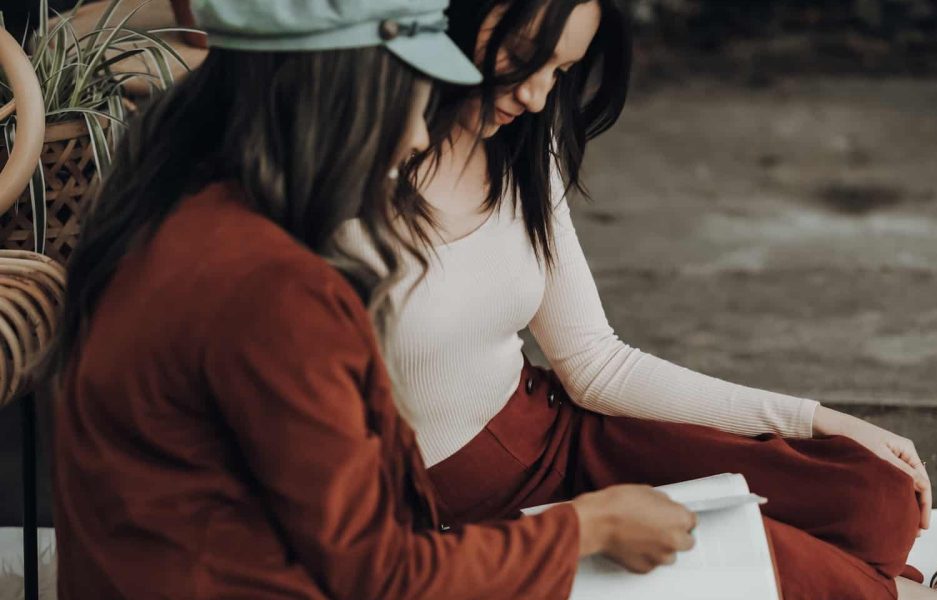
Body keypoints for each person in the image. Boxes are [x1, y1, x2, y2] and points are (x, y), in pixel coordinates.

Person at [337, 1, 937, 599]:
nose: (539, 96)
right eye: (525, 62)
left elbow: (595, 363)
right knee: (771, 560)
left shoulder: (517, 148)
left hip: (557, 432)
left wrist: (816, 420)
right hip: (461, 512)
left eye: (561, 72)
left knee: (873, 497)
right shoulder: (333, 192)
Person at [41, 1, 703, 597]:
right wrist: (587, 526)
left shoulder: (169, 215)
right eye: (412, 103)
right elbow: (382, 576)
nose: (420, 138)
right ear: (342, 97)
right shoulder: (276, 290)